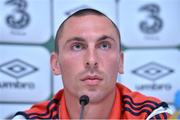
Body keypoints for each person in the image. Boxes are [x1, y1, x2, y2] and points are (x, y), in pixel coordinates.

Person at [12, 8, 173, 119]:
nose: (91, 60)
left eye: (104, 46)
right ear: (56, 64)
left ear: (120, 62)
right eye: (77, 46)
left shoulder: (151, 114)